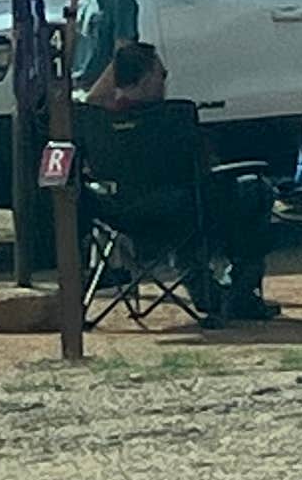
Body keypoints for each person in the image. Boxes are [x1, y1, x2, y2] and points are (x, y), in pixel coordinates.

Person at [84, 39, 274, 322]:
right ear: (148, 78)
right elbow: (202, 169)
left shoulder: (96, 121)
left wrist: (123, 62)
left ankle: (205, 287)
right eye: (162, 74)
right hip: (180, 211)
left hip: (119, 214)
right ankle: (241, 293)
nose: (164, 81)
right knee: (253, 191)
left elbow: (92, 99)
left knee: (187, 199)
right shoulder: (175, 116)